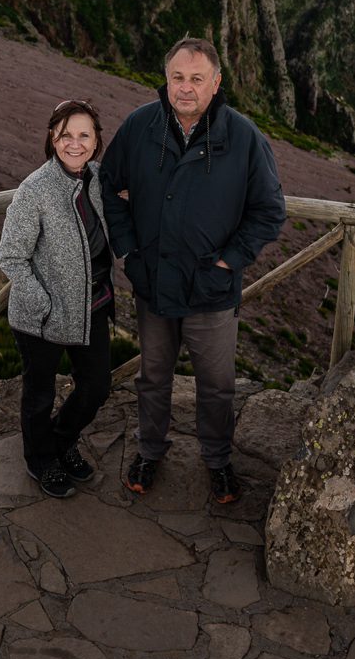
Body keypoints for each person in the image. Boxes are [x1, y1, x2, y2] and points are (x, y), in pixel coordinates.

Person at [101, 38, 285, 504]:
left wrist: (228, 262)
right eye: (178, 78)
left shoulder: (243, 137)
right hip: (154, 284)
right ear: (166, 79)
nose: (186, 88)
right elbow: (108, 185)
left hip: (211, 289)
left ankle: (218, 461)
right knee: (153, 376)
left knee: (217, 386)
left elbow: (269, 211)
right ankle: (149, 451)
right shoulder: (141, 126)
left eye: (196, 79)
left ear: (216, 82)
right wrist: (128, 252)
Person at [0, 99, 117, 499]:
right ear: (53, 137)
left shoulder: (98, 177)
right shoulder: (35, 189)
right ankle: (41, 460)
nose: (75, 143)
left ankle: (62, 440)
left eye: (84, 135)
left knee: (96, 386)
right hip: (41, 317)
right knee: (39, 395)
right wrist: (44, 304)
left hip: (93, 307)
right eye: (66, 135)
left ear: (97, 139)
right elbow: (11, 256)